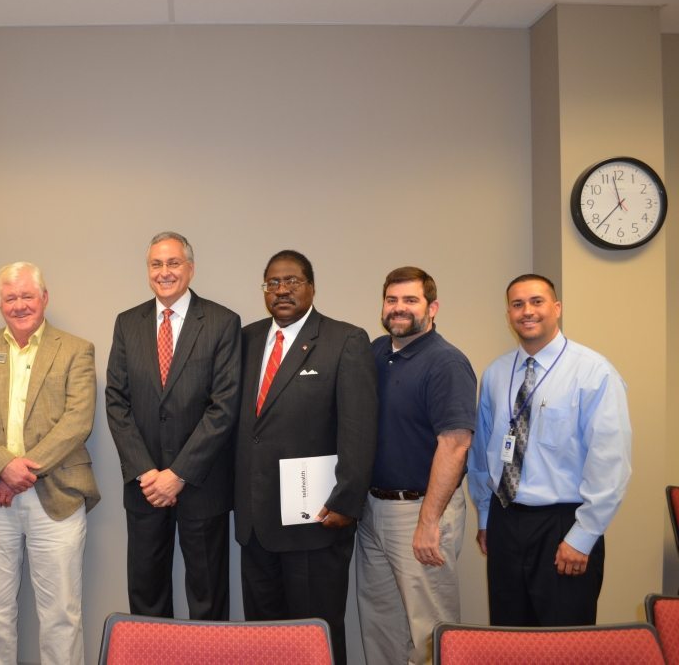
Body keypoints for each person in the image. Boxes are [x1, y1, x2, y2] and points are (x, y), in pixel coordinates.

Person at [233, 250, 378, 664]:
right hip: (257, 524)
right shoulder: (246, 339)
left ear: (312, 286)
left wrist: (345, 502)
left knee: (316, 636)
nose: (282, 290)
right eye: (273, 283)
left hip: (317, 520)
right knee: (265, 641)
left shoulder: (344, 340)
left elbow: (359, 429)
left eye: (292, 281)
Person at [0, 261, 99, 665]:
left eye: (27, 296)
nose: (19, 305)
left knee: (61, 617)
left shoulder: (76, 349)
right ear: (0, 303)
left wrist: (20, 473)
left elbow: (77, 421)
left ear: (44, 298)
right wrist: (3, 467)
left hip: (56, 500)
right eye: (10, 297)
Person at [467, 273, 632, 626]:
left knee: (564, 642)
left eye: (537, 301)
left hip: (563, 525)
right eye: (517, 304)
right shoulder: (495, 374)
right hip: (505, 520)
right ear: (509, 313)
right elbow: (483, 452)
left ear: (556, 308)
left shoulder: (593, 373)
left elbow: (610, 464)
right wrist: (485, 517)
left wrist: (584, 535)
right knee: (509, 636)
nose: (527, 311)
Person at [105, 231, 241, 620]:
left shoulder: (221, 322)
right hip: (144, 487)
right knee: (146, 595)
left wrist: (178, 473)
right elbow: (117, 401)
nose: (164, 272)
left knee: (208, 597)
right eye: (156, 264)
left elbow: (223, 406)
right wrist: (148, 472)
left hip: (201, 485)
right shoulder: (127, 323)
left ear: (191, 269)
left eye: (173, 263)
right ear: (148, 270)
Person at [356, 267, 476, 665]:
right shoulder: (376, 352)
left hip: (420, 512)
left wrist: (428, 523)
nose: (399, 309)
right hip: (373, 511)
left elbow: (456, 445)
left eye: (410, 300)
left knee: (430, 631)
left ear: (433, 307)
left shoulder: (446, 362)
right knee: (380, 626)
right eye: (392, 300)